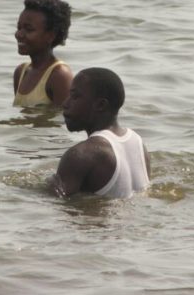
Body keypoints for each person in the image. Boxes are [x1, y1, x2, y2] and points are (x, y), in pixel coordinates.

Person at [49, 68, 150, 198]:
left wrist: (50, 184)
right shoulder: (138, 142)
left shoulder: (81, 155)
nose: (65, 104)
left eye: (74, 97)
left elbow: (55, 204)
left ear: (100, 105)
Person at [13, 0, 73, 108]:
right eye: (19, 27)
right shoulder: (21, 72)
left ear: (51, 36)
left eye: (29, 29)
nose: (19, 34)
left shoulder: (59, 75)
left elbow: (65, 117)